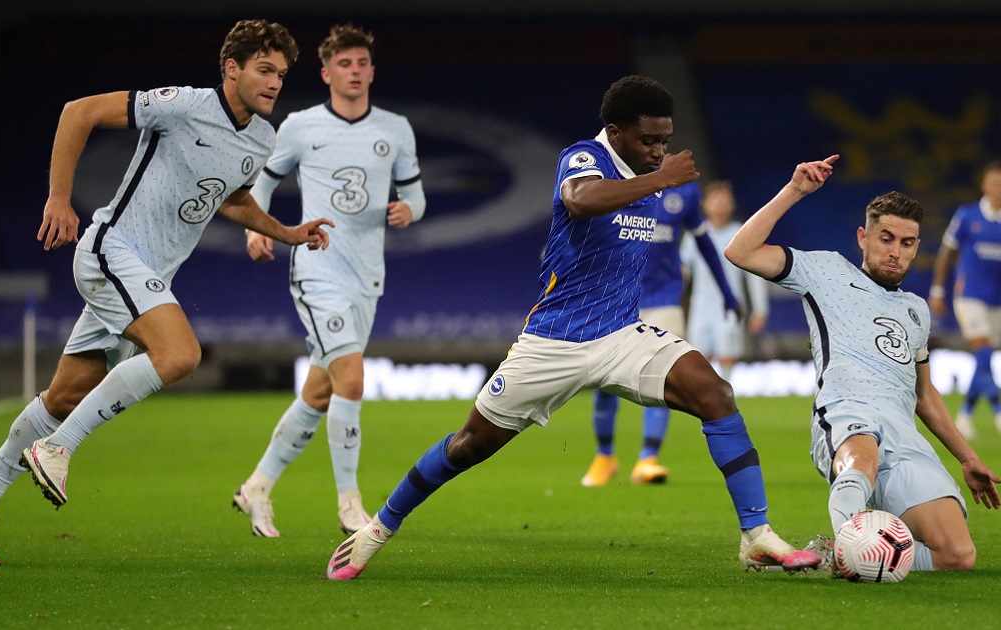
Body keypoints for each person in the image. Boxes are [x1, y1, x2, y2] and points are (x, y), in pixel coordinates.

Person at [325, 75, 821, 581]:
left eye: (665, 141)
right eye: (648, 140)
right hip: (554, 340)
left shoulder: (654, 177)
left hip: (623, 334)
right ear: (615, 131)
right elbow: (582, 201)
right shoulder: (585, 157)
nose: (658, 150)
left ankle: (756, 536)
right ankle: (378, 528)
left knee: (715, 392)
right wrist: (662, 179)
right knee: (469, 445)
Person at [0, 20, 330, 565]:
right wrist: (59, 197)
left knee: (63, 397)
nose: (274, 83)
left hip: (147, 276)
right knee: (179, 355)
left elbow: (232, 198)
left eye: (281, 74)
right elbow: (78, 111)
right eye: (264, 69)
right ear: (232, 69)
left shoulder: (261, 138)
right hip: (111, 251)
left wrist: (286, 232)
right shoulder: (182, 105)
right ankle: (58, 449)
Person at [724, 155, 1001, 573]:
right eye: (886, 238)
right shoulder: (823, 271)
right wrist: (795, 191)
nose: (895, 252)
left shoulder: (916, 310)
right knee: (862, 458)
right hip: (847, 410)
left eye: (907, 243)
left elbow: (924, 396)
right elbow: (740, 251)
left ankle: (834, 558)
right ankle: (854, 549)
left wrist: (967, 457)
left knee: (958, 556)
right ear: (863, 237)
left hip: (903, 434)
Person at [231, 24, 425, 538]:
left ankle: (256, 487)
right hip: (317, 266)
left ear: (372, 71)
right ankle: (349, 504)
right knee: (353, 379)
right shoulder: (299, 126)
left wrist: (410, 209)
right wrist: (258, 230)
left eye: (362, 63)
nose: (355, 71)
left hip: (368, 275)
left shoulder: (395, 129)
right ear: (326, 73)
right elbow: (262, 183)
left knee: (320, 393)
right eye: (345, 64)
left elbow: (417, 194)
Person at [581, 180, 741, 487]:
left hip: (665, 300)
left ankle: (648, 459)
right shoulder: (616, 183)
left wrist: (726, 293)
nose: (653, 148)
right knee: (603, 379)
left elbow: (703, 242)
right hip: (618, 299)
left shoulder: (685, 193)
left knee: (661, 378)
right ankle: (605, 456)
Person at [929, 162, 1001, 440]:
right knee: (983, 352)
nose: (1000, 189)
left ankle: (965, 417)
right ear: (985, 186)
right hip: (968, 295)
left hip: (998, 299)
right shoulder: (968, 216)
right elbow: (947, 253)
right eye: (995, 183)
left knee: (984, 360)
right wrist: (937, 289)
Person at [682, 180, 769, 373]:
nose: (720, 205)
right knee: (699, 357)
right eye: (716, 200)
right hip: (701, 306)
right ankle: (703, 400)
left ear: (732, 204)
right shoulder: (694, 234)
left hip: (731, 306)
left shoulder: (741, 234)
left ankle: (725, 397)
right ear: (705, 204)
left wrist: (760, 309)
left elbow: (755, 275)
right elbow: (683, 270)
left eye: (724, 201)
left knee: (726, 356)